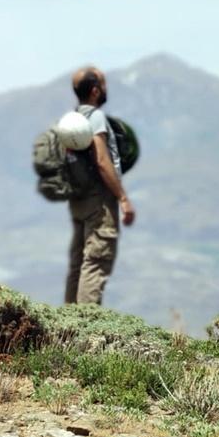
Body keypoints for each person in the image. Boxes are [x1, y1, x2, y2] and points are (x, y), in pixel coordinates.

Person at [65, 66, 136, 305]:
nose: (106, 90)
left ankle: (66, 328)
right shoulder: (95, 118)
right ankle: (84, 330)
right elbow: (103, 162)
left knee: (78, 263)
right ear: (95, 91)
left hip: (79, 201)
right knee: (95, 262)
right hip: (99, 202)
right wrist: (123, 198)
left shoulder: (74, 118)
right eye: (104, 85)